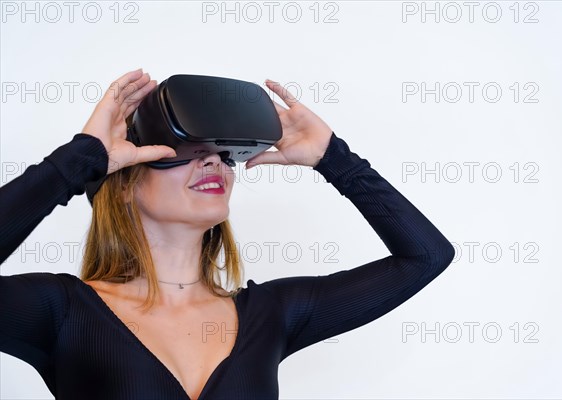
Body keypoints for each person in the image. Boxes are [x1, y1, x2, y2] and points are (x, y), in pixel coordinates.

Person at [0, 68, 456, 400]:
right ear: (121, 189)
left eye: (223, 154)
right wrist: (79, 160)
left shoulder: (273, 313)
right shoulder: (60, 312)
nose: (214, 161)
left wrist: (335, 159)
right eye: (184, 150)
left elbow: (426, 256)